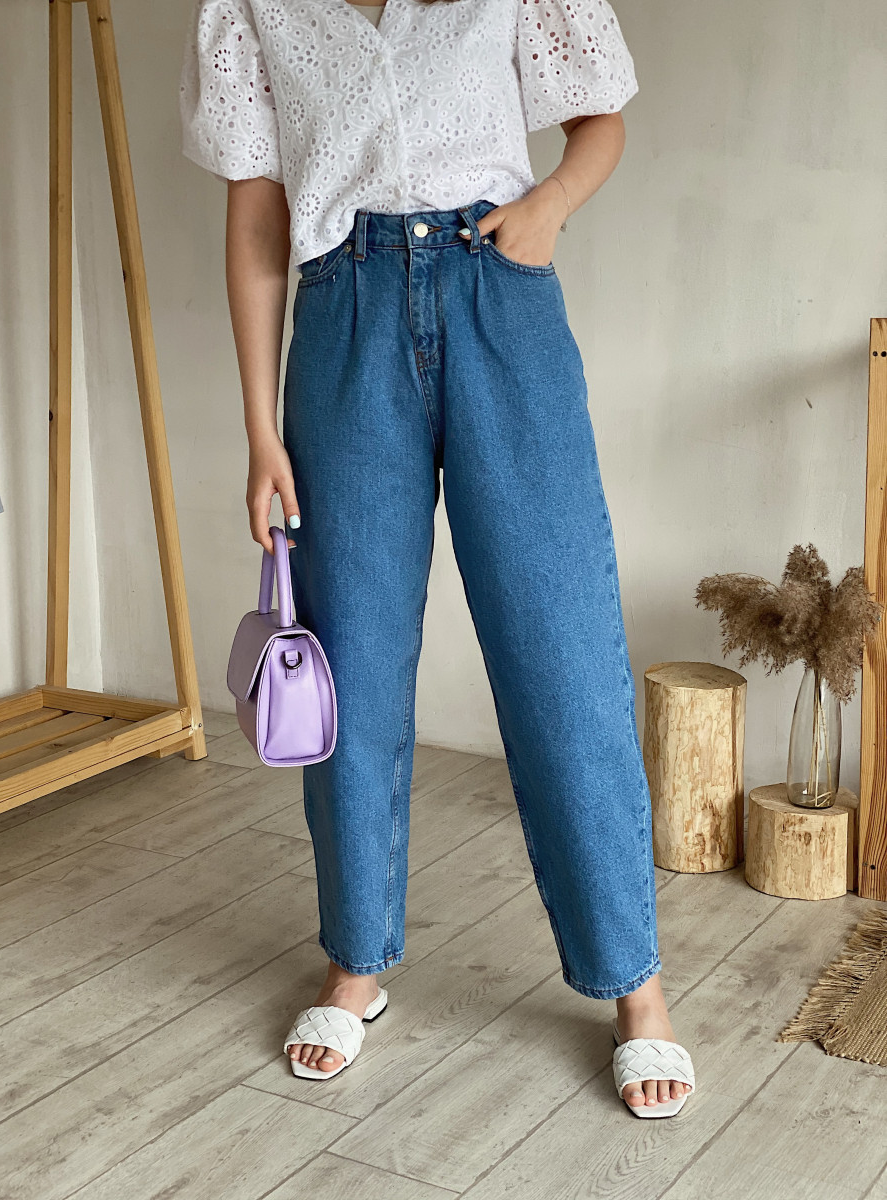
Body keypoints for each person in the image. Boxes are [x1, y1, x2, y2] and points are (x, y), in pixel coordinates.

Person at [180, 0, 696, 1116]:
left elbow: (600, 119)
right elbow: (258, 213)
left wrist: (548, 206)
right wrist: (261, 429)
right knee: (352, 661)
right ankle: (355, 961)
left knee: (563, 651)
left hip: (497, 293)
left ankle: (635, 983)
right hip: (343, 315)